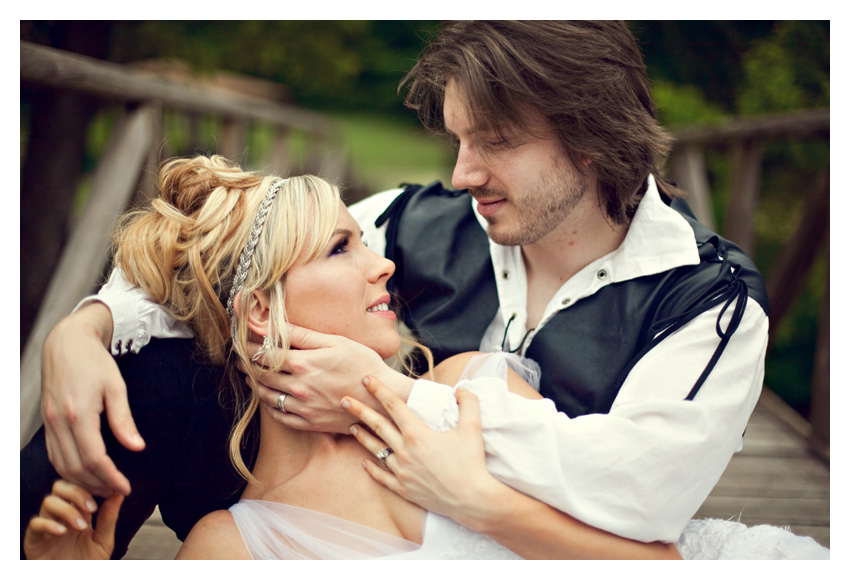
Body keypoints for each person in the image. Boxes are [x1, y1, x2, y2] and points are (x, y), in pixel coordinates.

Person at [26, 20, 781, 554]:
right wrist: (86, 326)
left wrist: (388, 395)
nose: (462, 174)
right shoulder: (422, 223)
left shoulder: (707, 305)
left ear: (589, 135)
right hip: (293, 485)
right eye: (457, 140)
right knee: (148, 375)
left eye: (493, 141)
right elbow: (232, 254)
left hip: (529, 535)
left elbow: (641, 493)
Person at [24, 154, 686, 560]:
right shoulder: (231, 547)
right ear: (260, 313)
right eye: (343, 248)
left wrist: (480, 501)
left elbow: (657, 563)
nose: (387, 263)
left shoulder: (468, 392)